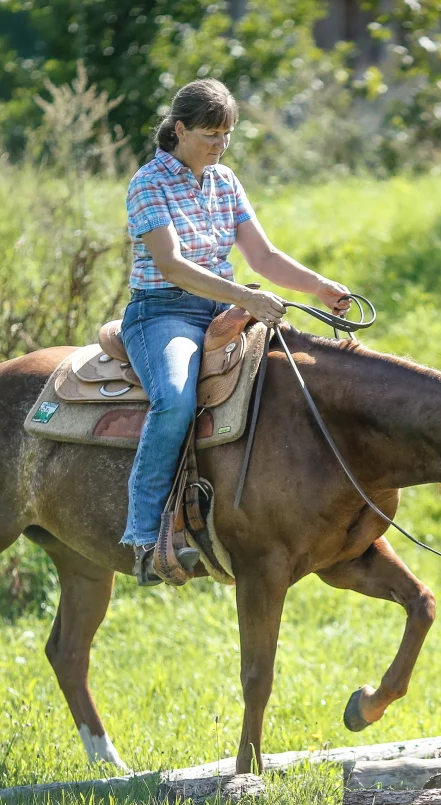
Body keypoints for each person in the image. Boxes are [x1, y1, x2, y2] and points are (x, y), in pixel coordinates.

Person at [121, 78, 351, 585]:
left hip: (224, 309)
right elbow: (173, 265)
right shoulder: (147, 184)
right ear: (178, 129)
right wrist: (245, 298)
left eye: (226, 134)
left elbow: (263, 257)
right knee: (176, 399)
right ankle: (143, 539)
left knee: (295, 377)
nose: (219, 145)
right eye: (209, 134)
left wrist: (318, 287)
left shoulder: (226, 182)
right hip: (163, 313)